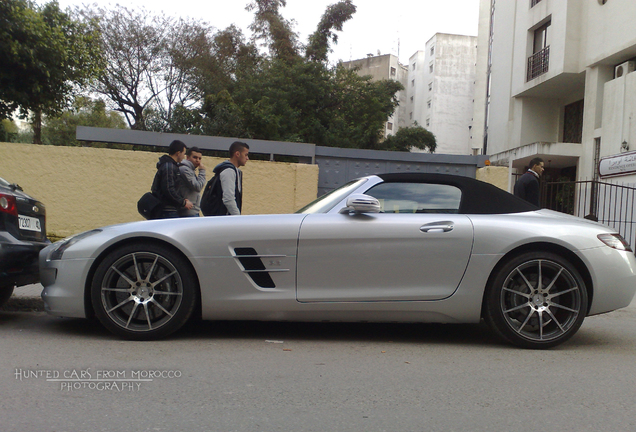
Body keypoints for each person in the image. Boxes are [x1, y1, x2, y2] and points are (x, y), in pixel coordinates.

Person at [151, 140, 193, 218]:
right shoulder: (169, 167)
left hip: (168, 209)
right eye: (183, 153)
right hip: (167, 210)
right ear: (178, 153)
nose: (184, 156)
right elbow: (169, 189)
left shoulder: (169, 165)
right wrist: (183, 202)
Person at [211, 141, 249, 215]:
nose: (247, 158)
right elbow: (228, 199)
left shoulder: (235, 171)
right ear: (237, 154)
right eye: (246, 155)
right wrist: (238, 218)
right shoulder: (229, 171)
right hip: (224, 219)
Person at [178, 146, 206, 217]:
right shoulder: (185, 169)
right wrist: (202, 171)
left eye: (199, 158)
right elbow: (198, 186)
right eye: (195, 157)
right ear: (187, 157)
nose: (197, 160)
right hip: (188, 212)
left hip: (192, 211)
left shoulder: (190, 170)